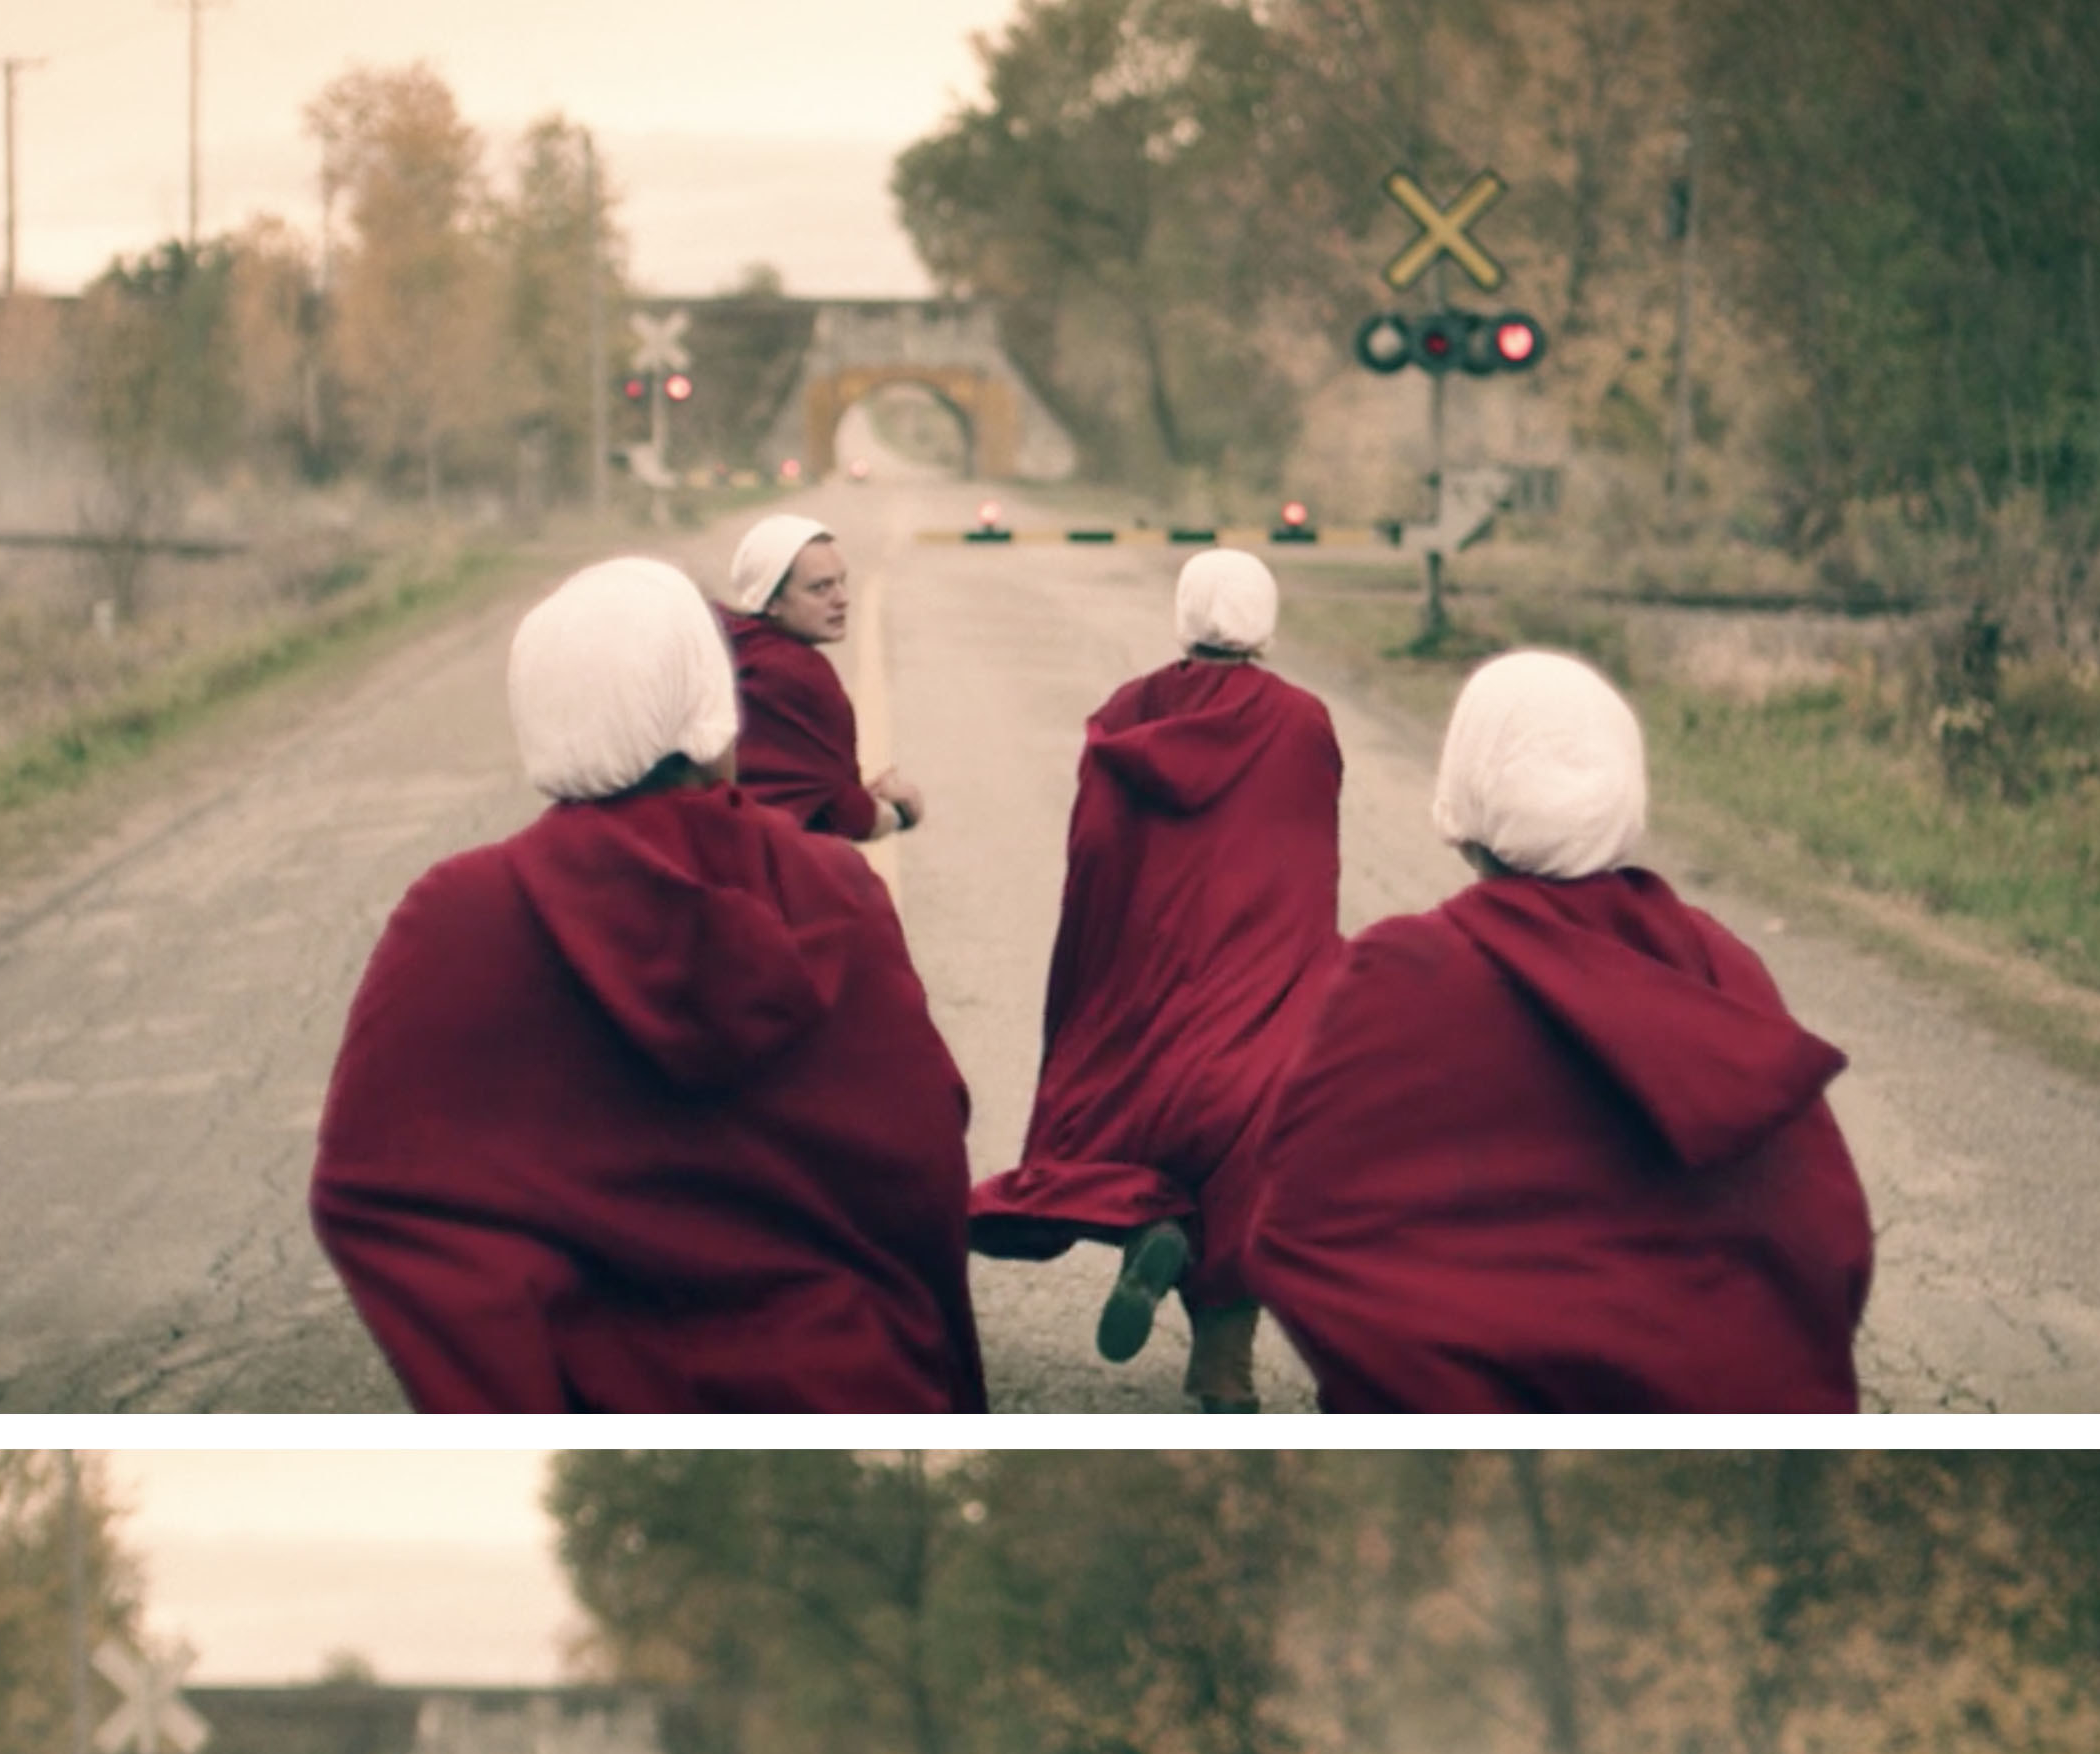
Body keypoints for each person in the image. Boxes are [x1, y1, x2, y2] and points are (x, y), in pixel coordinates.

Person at [310, 558, 981, 1414]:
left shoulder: (459, 913)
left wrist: (512, 1397)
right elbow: (923, 1152)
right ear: (713, 711)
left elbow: (371, 1194)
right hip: (837, 1379)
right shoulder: (831, 887)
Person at [1247, 649, 1873, 1412]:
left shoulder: (1405, 971)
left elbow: (1300, 1229)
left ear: (1467, 788)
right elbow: (1822, 1224)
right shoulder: (1717, 961)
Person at [970, 548, 1342, 1413]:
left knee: (1117, 1129)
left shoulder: (1123, 718)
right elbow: (1307, 869)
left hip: (1150, 1001)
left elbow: (1095, 863)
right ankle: (1223, 1368)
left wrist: (1096, 995)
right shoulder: (1301, 723)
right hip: (1257, 992)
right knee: (1254, 1154)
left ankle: (1151, 1222)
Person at [715, 511, 921, 845]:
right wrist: (901, 810)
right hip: (762, 861)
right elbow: (846, 816)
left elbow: (798, 784)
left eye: (842, 581)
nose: (842, 599)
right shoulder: (798, 672)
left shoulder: (720, 642)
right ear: (772, 601)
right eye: (820, 588)